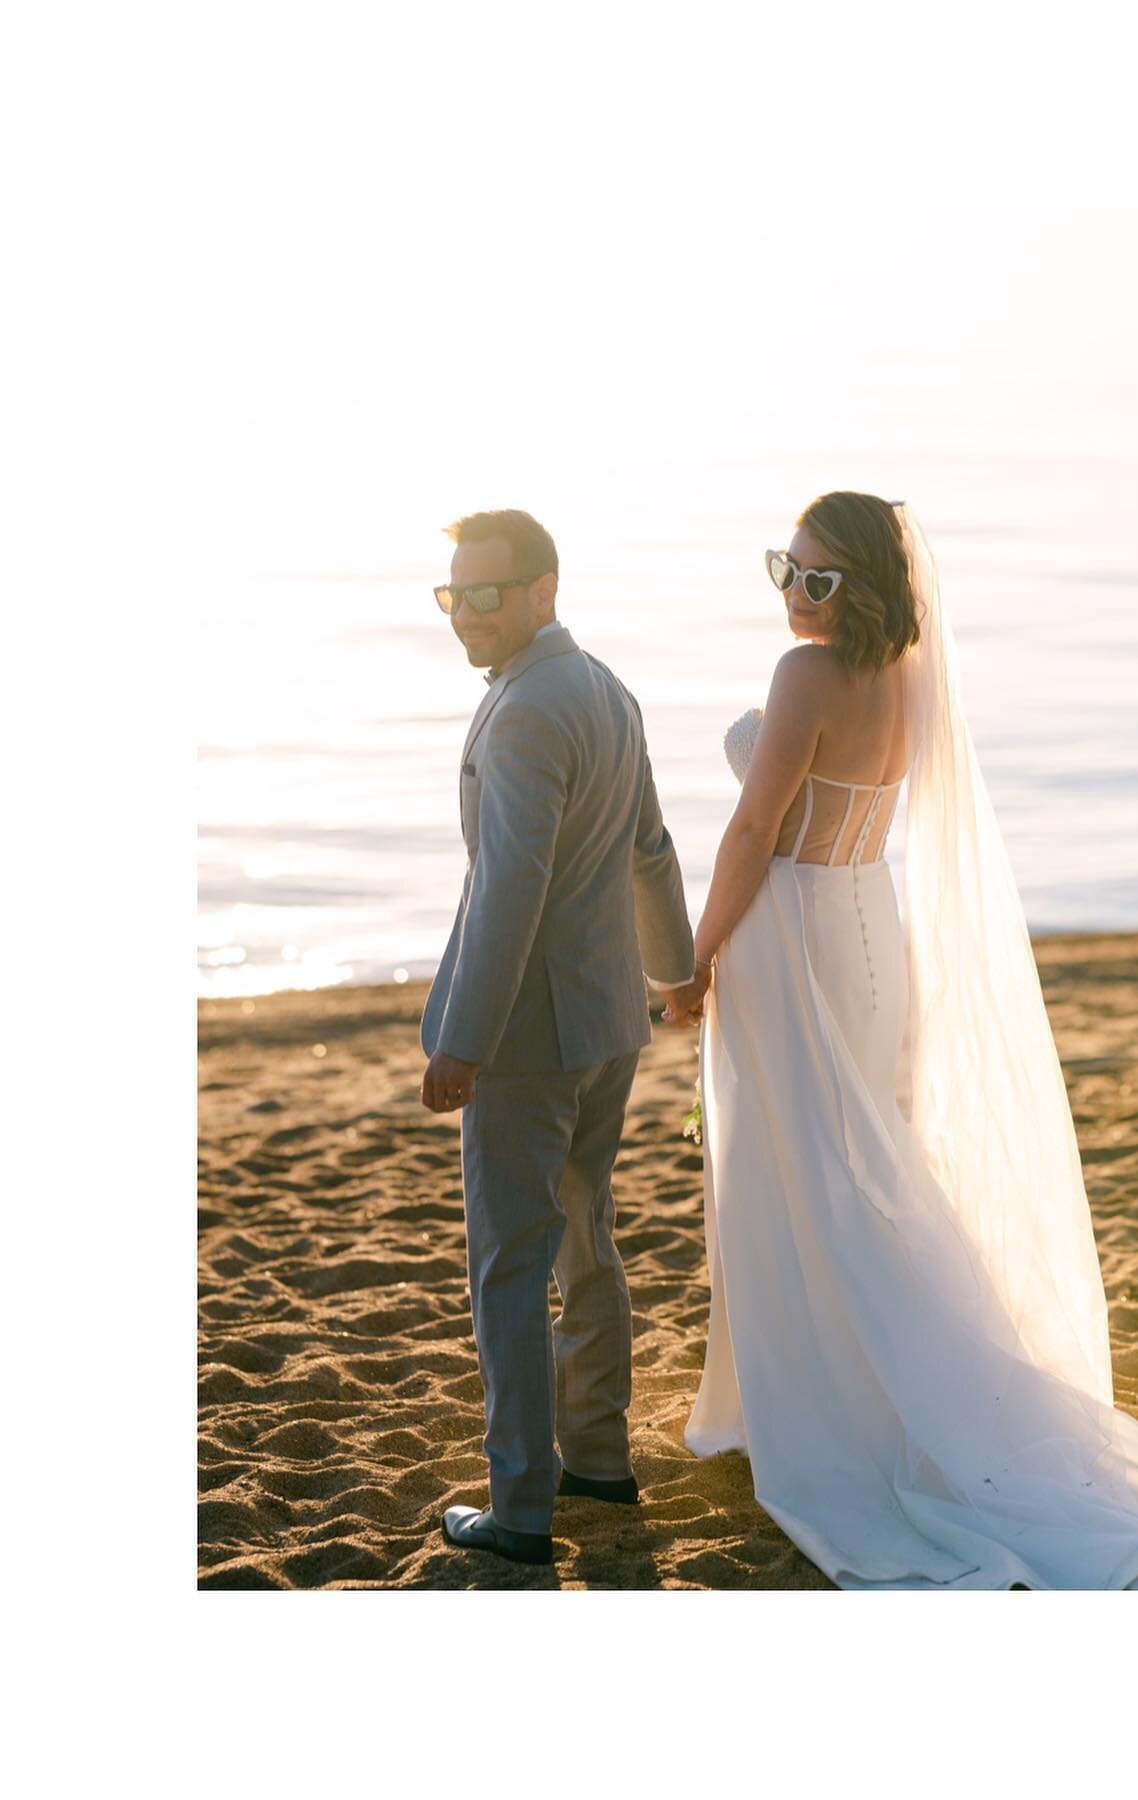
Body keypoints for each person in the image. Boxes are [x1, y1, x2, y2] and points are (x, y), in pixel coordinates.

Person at [659, 492, 1138, 1590]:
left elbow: (753, 826)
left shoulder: (804, 678)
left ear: (868, 587)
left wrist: (695, 959)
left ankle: (833, 1409)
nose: (796, 595)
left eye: (819, 579)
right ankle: (835, 1391)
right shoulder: (914, 676)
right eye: (784, 571)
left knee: (805, 1178)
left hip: (796, 934)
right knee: (868, 1170)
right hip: (876, 924)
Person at [420, 507, 694, 1568]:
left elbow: (512, 888)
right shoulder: (609, 691)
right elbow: (651, 848)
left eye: (485, 594)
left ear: (543, 591)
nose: (465, 616)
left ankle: (523, 1508)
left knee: (508, 1267)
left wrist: (465, 1038)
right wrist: (673, 976)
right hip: (609, 1023)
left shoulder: (532, 709)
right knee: (588, 1242)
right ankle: (597, 1460)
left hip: (532, 1040)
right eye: (451, 595)